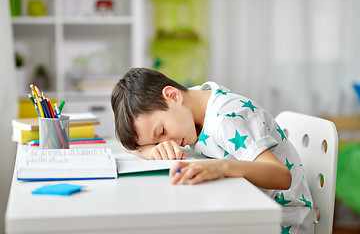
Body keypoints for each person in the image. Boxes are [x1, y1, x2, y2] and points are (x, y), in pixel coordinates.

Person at [111, 67, 315, 234]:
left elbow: (282, 177)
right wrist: (150, 151)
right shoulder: (191, 102)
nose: (168, 142)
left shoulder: (226, 121)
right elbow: (128, 146)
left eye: (162, 132)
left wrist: (221, 167)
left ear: (172, 96)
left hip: (280, 222)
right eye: (157, 141)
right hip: (245, 209)